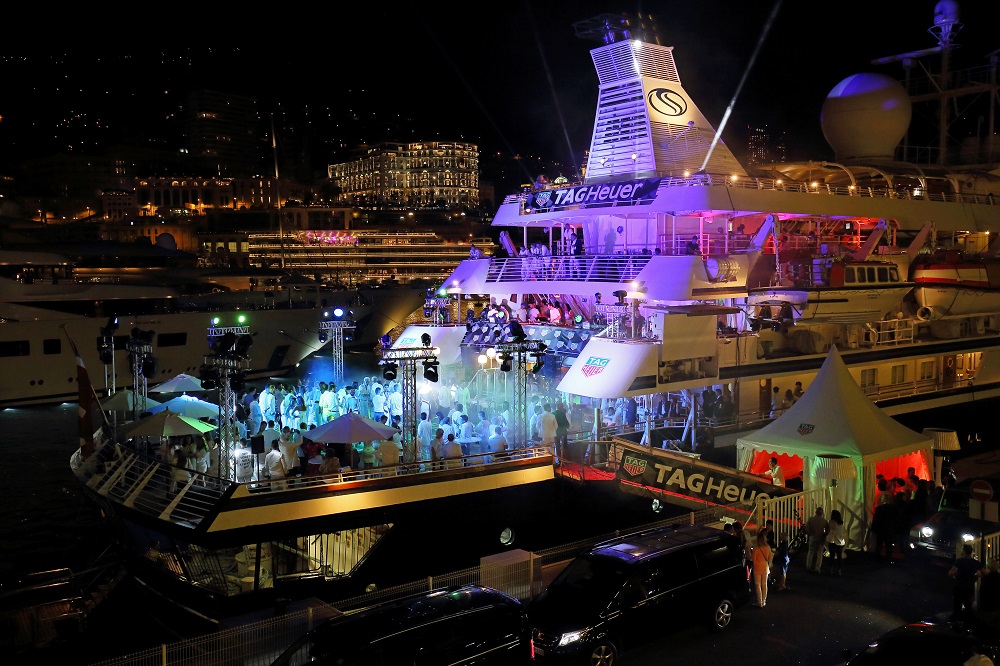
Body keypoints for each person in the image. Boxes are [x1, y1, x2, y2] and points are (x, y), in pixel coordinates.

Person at [950, 543, 985, 624]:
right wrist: (977, 577)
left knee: (957, 606)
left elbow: (951, 573)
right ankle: (968, 624)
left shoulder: (959, 561)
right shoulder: (975, 563)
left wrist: (955, 576)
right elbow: (985, 572)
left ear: (964, 551)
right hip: (969, 587)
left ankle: (956, 625)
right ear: (971, 552)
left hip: (959, 586)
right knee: (968, 607)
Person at [805, 506, 828, 574]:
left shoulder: (811, 519)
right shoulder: (824, 521)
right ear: (822, 513)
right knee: (819, 554)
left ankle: (808, 566)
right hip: (820, 538)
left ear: (815, 512)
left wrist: (809, 534)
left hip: (812, 537)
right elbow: (828, 529)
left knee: (810, 552)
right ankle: (817, 568)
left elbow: (807, 529)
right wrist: (825, 534)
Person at [752, 530, 773, 608]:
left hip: (757, 568)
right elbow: (769, 558)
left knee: (758, 585)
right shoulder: (768, 547)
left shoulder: (756, 549)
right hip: (765, 567)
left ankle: (759, 602)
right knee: (764, 584)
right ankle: (764, 601)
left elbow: (753, 559)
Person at [824, 509, 847, 576]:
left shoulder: (832, 522)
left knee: (832, 556)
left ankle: (831, 570)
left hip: (832, 541)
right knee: (839, 557)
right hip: (840, 542)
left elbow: (830, 529)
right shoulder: (841, 523)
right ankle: (839, 570)